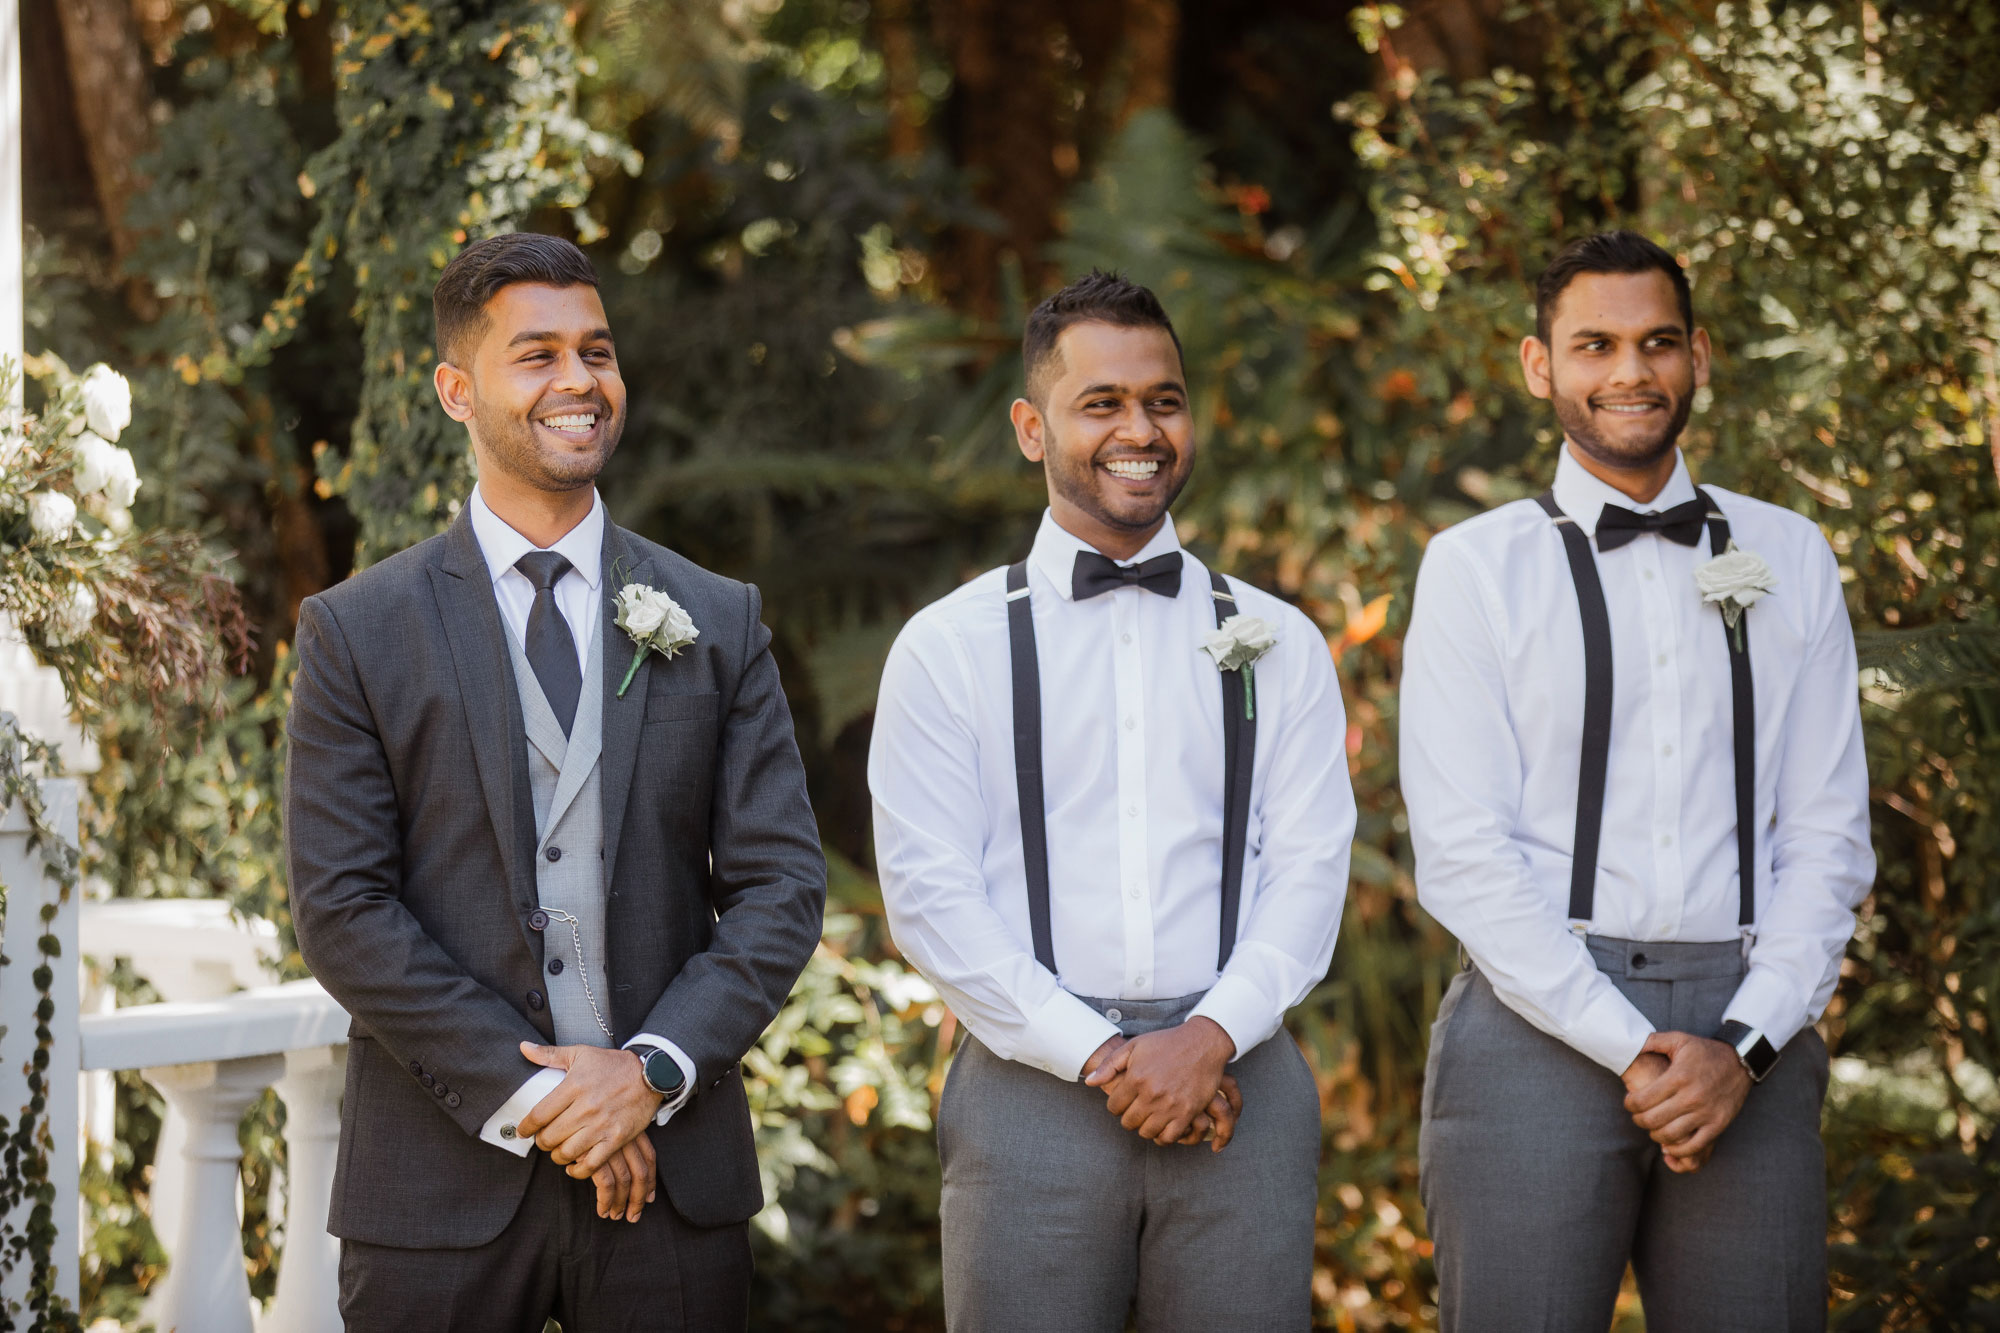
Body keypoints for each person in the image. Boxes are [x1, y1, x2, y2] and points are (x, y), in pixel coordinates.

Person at [285, 232, 825, 1331]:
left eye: (597, 350)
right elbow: (342, 909)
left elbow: (779, 888)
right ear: (456, 389)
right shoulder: (357, 630)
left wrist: (648, 1075)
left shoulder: (716, 619)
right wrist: (547, 1099)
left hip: (671, 1185)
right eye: (536, 355)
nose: (579, 380)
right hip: (439, 1186)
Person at [1402, 230, 1874, 1331]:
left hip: (1747, 1025)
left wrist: (1743, 1046)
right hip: (1533, 1023)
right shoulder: (1474, 568)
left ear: (1698, 355)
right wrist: (1642, 1052)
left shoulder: (1788, 553)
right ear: (1539, 364)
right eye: (1594, 345)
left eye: (1656, 342)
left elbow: (1826, 835)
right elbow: (1463, 855)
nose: (1629, 372)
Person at [869, 270, 1356, 1331]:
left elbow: (1311, 870)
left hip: (1242, 1090)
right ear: (1029, 428)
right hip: (1028, 1092)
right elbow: (929, 895)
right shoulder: (947, 647)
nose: (1138, 428)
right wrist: (1099, 1053)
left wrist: (1210, 1035)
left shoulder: (1280, 641)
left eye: (1163, 400)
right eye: (1101, 403)